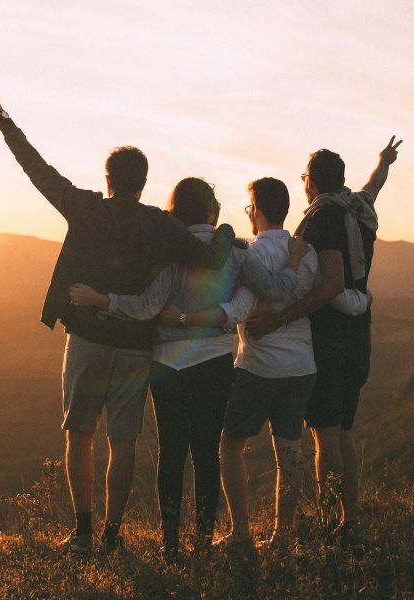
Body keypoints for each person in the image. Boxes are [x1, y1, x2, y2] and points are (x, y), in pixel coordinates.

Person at [0, 74, 236, 555]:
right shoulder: (161, 225)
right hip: (136, 345)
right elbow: (206, 254)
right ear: (143, 183)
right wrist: (232, 237)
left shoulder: (85, 208)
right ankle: (114, 535)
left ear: (109, 179)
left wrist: (2, 118)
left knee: (80, 434)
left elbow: (37, 169)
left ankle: (83, 531)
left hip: (88, 339)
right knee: (124, 439)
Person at [68, 177, 306, 562]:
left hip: (167, 365)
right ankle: (203, 542)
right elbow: (277, 290)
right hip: (214, 361)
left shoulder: (170, 254)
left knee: (173, 454)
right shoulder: (236, 254)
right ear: (213, 211)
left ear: (175, 211)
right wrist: (293, 264)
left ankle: (171, 544)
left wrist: (104, 300)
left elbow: (146, 306)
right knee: (207, 454)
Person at [247, 137, 401, 546]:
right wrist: (384, 161)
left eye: (304, 178)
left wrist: (281, 317)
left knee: (325, 433)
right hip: (358, 333)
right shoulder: (358, 208)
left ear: (312, 182)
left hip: (331, 337)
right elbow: (375, 185)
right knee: (342, 432)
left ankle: (333, 524)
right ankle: (348, 522)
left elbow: (331, 282)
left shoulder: (322, 220)